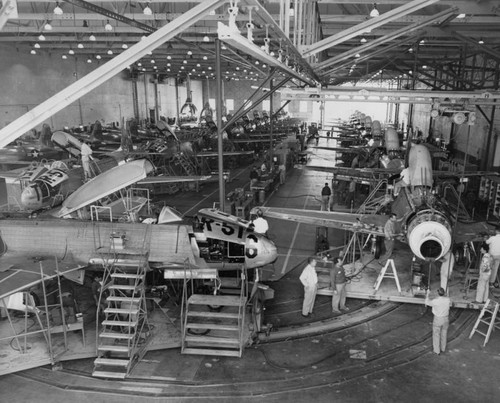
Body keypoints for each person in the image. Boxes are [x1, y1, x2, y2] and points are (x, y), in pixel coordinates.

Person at [425, 287, 452, 355]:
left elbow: (426, 302)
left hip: (438, 319)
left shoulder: (435, 301)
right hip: (446, 319)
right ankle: (443, 348)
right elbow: (450, 303)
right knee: (444, 333)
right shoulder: (448, 300)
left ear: (437, 293)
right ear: (444, 293)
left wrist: (427, 294)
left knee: (436, 334)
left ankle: (437, 350)